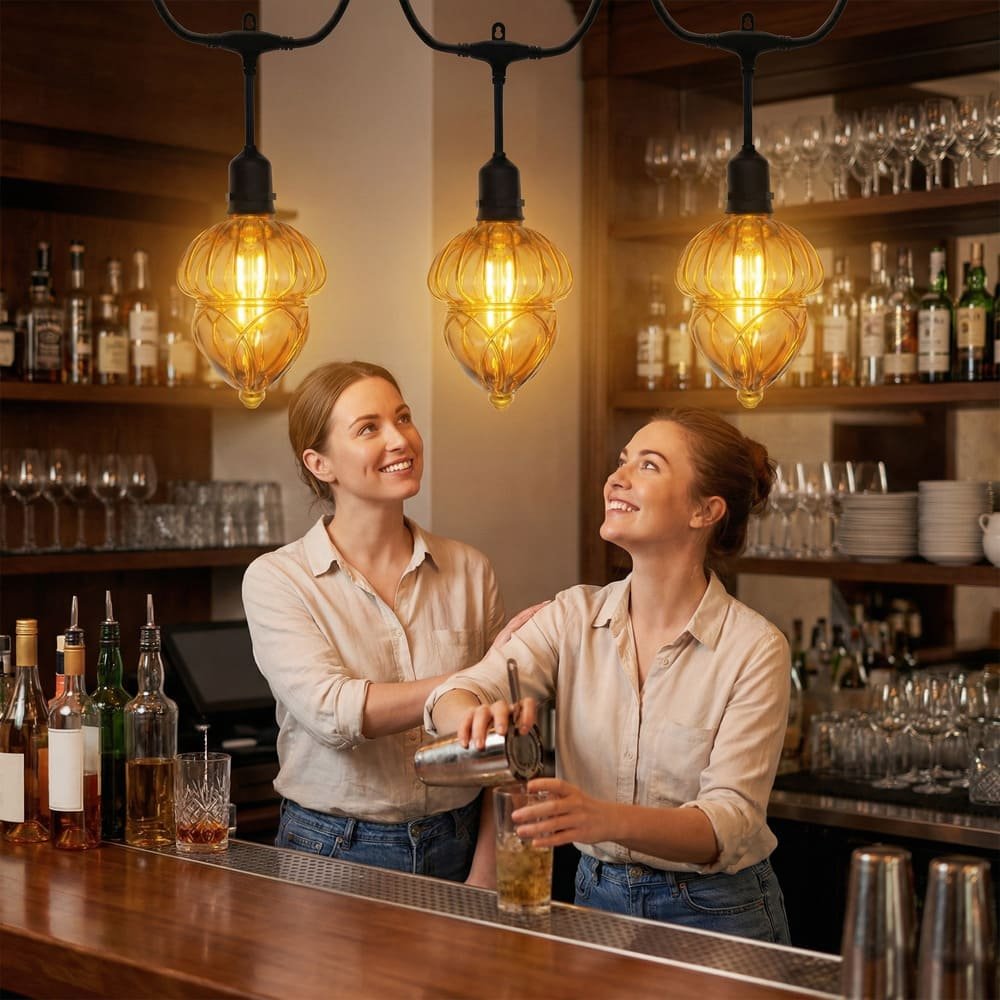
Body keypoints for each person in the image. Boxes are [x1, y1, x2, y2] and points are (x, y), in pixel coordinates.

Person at [427, 408, 792, 942]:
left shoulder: (755, 648)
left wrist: (601, 818)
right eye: (622, 461)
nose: (617, 478)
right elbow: (456, 693)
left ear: (705, 510)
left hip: (715, 910)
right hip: (596, 895)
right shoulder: (571, 617)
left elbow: (728, 823)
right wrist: (476, 718)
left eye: (649, 465)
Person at [244, 360, 520, 884]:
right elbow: (334, 711)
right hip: (331, 850)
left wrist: (487, 873)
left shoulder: (470, 569)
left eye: (403, 417)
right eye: (369, 428)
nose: (400, 439)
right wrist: (471, 680)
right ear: (320, 463)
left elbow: (500, 740)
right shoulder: (278, 579)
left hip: (459, 839)